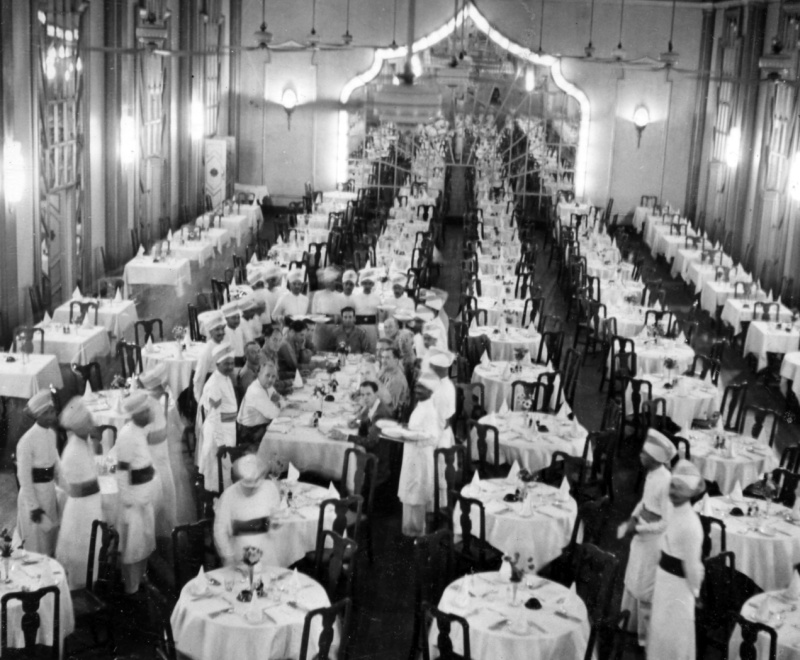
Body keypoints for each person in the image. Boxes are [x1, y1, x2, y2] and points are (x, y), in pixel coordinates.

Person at [621, 429, 677, 646]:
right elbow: (644, 502)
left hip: (653, 542)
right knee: (634, 579)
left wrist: (640, 528)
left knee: (646, 588)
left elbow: (665, 522)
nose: (640, 455)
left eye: (644, 453)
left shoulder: (666, 482)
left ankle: (646, 639)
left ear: (655, 458)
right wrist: (634, 517)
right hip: (641, 536)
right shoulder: (651, 475)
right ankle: (630, 625)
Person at [647, 460, 705, 660]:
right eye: (672, 485)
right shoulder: (671, 510)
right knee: (659, 630)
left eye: (680, 489)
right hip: (663, 581)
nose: (673, 492)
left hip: (680, 587)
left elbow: (692, 567)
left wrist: (695, 591)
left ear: (690, 493)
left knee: (675, 635)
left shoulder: (692, 524)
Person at [56, 397, 104, 589]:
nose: (92, 424)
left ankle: (89, 586)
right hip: (81, 509)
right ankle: (79, 591)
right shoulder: (73, 450)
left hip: (90, 504)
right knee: (82, 554)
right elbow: (79, 487)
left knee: (92, 551)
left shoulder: (85, 442)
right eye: (88, 422)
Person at [115, 392, 159, 595]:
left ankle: (141, 579)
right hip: (133, 501)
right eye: (146, 411)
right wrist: (128, 500)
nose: (149, 413)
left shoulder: (140, 431)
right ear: (137, 414)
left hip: (144, 497)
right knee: (133, 547)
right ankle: (131, 588)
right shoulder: (127, 435)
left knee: (144, 543)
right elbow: (122, 471)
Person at [214, 454, 281, 568]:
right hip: (239, 557)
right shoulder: (229, 495)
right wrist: (228, 556)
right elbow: (220, 529)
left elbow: (275, 521)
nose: (251, 489)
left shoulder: (270, 489)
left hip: (267, 554)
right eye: (247, 486)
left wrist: (275, 524)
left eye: (255, 485)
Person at [15, 390, 62, 556]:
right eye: (45, 413)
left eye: (52, 412)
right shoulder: (27, 441)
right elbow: (24, 477)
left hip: (48, 493)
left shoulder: (51, 434)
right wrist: (34, 507)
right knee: (35, 544)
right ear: (37, 415)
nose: (50, 416)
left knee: (49, 541)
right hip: (33, 496)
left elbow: (56, 465)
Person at [398, 375, 442, 537]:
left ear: (430, 391)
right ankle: (408, 531)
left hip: (421, 458)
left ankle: (417, 534)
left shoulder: (431, 411)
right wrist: (406, 430)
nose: (417, 390)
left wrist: (410, 435)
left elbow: (433, 437)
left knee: (416, 494)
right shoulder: (421, 406)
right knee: (410, 493)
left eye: (422, 388)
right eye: (417, 386)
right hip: (412, 455)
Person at [138, 364, 176, 544]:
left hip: (155, 459)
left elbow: (152, 437)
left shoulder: (150, 408)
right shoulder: (155, 406)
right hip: (159, 458)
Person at [331, 381, 393, 487]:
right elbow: (367, 420)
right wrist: (357, 422)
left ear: (376, 394)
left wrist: (344, 436)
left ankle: (348, 486)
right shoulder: (375, 404)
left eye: (368, 394)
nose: (365, 398)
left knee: (342, 455)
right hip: (376, 449)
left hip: (376, 460)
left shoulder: (381, 413)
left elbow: (370, 442)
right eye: (363, 395)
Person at [199, 343, 239, 491]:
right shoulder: (214, 384)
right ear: (217, 364)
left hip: (228, 429)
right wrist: (221, 443)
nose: (230, 367)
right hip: (218, 434)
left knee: (226, 473)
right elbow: (215, 416)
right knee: (218, 478)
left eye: (232, 363)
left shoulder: (225, 378)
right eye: (226, 363)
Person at [429, 350, 456, 507]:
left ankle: (438, 506)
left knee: (438, 473)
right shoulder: (447, 384)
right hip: (443, 431)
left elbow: (439, 419)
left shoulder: (441, 390)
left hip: (438, 435)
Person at [238, 361, 284, 446]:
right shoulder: (256, 390)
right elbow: (274, 414)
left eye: (273, 376)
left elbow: (281, 400)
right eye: (267, 375)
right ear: (259, 374)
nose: (270, 379)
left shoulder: (267, 386)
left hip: (261, 427)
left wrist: (276, 404)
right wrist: (277, 404)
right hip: (250, 434)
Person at [192, 310, 228, 404]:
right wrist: (200, 399)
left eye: (222, 329)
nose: (221, 332)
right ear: (210, 332)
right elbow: (199, 376)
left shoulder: (222, 344)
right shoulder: (207, 349)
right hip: (211, 389)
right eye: (217, 330)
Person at [311, 267, 345, 351]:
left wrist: (336, 320)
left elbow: (342, 316)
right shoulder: (318, 295)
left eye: (332, 281)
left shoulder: (340, 296)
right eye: (328, 282)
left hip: (335, 329)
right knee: (319, 352)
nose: (331, 284)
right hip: (320, 330)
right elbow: (313, 314)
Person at [377, 346, 409, 415]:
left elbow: (390, 407)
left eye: (387, 358)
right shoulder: (387, 369)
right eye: (383, 357)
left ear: (396, 361)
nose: (383, 361)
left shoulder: (396, 380)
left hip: (388, 415)